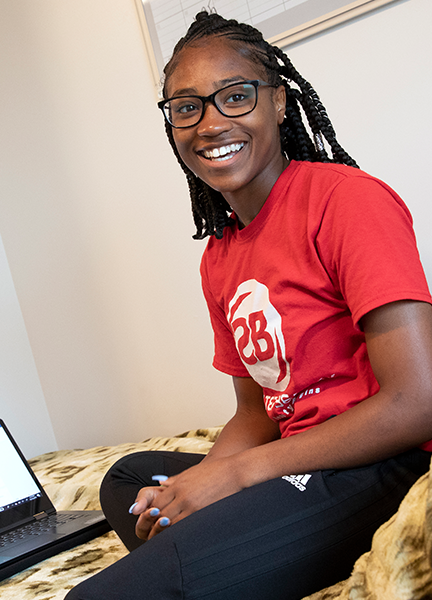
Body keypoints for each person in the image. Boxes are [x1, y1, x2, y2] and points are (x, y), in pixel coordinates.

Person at [66, 11, 432, 600]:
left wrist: (237, 474)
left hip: (382, 462)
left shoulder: (346, 201)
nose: (210, 124)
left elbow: (419, 402)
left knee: (97, 597)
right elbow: (258, 411)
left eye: (234, 97)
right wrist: (210, 476)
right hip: (301, 459)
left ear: (280, 103)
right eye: (187, 108)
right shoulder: (220, 254)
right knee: (130, 481)